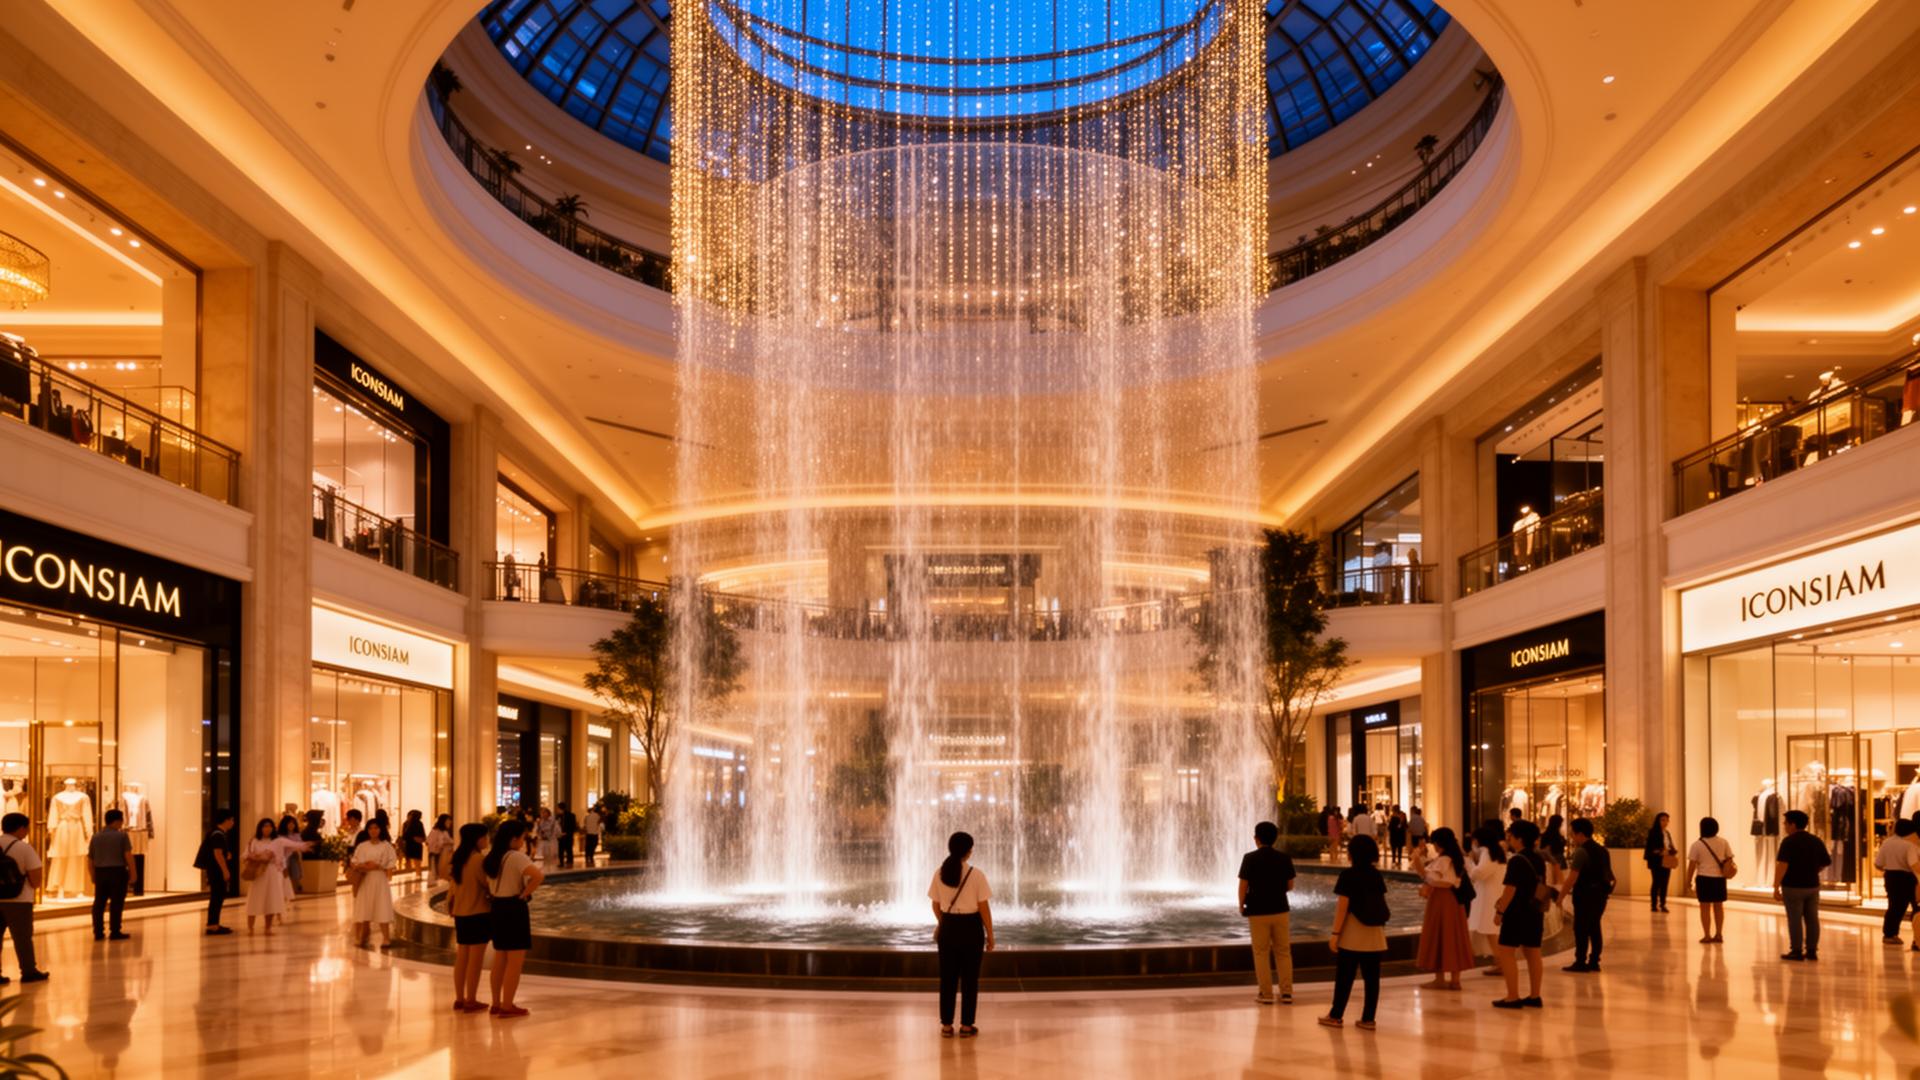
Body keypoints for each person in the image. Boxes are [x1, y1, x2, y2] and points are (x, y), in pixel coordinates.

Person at [1318, 835, 1388, 1030]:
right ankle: (1368, 1019)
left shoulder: (1348, 875)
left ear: (1352, 854)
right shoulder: (1376, 875)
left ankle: (1336, 1015)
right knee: (1372, 979)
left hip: (1352, 933)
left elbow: (1343, 906)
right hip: (1375, 933)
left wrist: (1335, 933)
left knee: (1345, 977)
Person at [929, 831, 993, 1039]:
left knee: (947, 978)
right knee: (969, 978)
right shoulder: (976, 874)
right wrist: (990, 935)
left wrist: (943, 922)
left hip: (948, 928)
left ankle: (946, 1025)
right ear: (968, 851)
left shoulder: (940, 872)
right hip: (971, 928)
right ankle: (966, 1025)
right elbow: (984, 908)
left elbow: (935, 905)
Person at [486, 819, 544, 1016]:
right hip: (513, 908)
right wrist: (525, 893)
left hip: (496, 907)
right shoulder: (517, 857)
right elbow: (538, 876)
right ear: (513, 838)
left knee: (500, 958)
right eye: (522, 837)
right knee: (515, 962)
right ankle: (507, 1005)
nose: (523, 840)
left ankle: (496, 1003)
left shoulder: (492, 856)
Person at [1491, 820, 1548, 1009]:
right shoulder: (1539, 858)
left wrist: (1500, 912)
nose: (1509, 839)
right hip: (1535, 911)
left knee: (1506, 951)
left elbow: (1510, 889)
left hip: (1516, 912)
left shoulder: (1516, 859)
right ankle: (1535, 995)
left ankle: (1512, 996)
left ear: (1519, 838)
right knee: (1533, 952)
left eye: (1511, 836)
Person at [1238, 820, 1295, 1005]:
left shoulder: (1249, 858)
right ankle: (1286, 993)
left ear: (1256, 839)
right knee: (1283, 951)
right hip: (1280, 909)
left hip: (1257, 911)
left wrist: (1241, 904)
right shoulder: (1284, 858)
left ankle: (1266, 993)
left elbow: (1243, 885)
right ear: (1275, 838)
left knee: (1261, 952)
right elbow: (1290, 885)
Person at [1416, 827, 1475, 991]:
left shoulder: (1443, 860)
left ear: (1438, 843)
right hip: (1455, 902)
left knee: (1438, 934)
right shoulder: (1458, 858)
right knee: (1454, 935)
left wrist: (1418, 863)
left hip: (1442, 900)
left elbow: (1436, 880)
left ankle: (1439, 978)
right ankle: (1455, 980)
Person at [444, 823, 492, 1013]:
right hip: (478, 912)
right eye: (485, 837)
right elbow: (486, 883)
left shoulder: (458, 858)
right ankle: (471, 999)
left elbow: (453, 886)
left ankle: (459, 998)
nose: (487, 840)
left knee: (462, 957)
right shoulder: (478, 859)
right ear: (477, 839)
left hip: (461, 913)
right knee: (476, 960)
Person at [1773, 809, 1830, 961]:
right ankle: (1812, 950)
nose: (1784, 826)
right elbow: (1825, 862)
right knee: (1812, 918)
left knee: (1794, 919)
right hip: (1812, 885)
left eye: (1786, 823)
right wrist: (1814, 871)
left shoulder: (1788, 842)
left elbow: (1782, 865)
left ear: (1793, 824)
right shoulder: (1815, 840)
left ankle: (1796, 950)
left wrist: (1775, 886)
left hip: (1792, 886)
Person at [1560, 818, 1613, 973]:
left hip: (1585, 895)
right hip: (1601, 894)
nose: (1571, 837)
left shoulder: (1581, 851)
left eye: (1572, 833)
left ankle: (1580, 961)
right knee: (1595, 926)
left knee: (1581, 928)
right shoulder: (1603, 850)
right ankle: (1594, 961)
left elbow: (1572, 878)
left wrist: (1560, 896)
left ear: (1580, 834)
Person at [243, 817, 309, 935]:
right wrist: (256, 856)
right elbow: (245, 855)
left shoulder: (277, 841)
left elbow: (285, 853)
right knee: (254, 899)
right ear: (260, 828)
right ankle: (250, 928)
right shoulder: (254, 841)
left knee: (271, 900)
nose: (267, 828)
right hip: (259, 873)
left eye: (270, 826)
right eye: (265, 826)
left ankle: (268, 927)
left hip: (272, 872)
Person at [0, 814, 45, 983]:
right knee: (22, 937)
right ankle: (28, 971)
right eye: (26, 828)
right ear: (20, 828)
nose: (26, 832)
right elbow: (36, 880)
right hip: (19, 900)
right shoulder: (24, 848)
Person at [349, 818, 399, 948]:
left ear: (381, 829)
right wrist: (364, 865)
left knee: (382, 906)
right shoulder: (362, 846)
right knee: (362, 908)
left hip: (380, 880)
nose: (373, 831)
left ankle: (386, 938)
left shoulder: (386, 846)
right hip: (365, 880)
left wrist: (378, 866)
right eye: (370, 828)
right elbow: (354, 861)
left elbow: (392, 862)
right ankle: (359, 937)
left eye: (376, 828)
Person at [87, 808, 136, 941]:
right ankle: (115, 930)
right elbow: (128, 856)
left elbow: (90, 859)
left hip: (101, 872)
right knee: (117, 903)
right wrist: (133, 874)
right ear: (117, 821)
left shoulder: (96, 837)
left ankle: (98, 931)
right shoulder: (122, 836)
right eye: (121, 820)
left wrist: (93, 875)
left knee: (99, 903)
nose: (122, 823)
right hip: (118, 872)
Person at [1467, 821, 1507, 976]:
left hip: (1489, 896)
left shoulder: (1486, 852)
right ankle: (1498, 962)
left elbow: (1479, 873)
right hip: (1493, 893)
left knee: (1490, 930)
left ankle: (1501, 963)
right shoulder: (1496, 851)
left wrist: (1468, 863)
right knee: (1491, 930)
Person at [1686, 816, 1734, 945]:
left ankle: (1707, 935)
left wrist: (1688, 881)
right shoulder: (1723, 842)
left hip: (1703, 879)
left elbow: (1692, 865)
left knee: (1705, 908)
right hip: (1719, 879)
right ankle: (1719, 934)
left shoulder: (1697, 844)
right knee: (1719, 907)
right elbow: (1730, 858)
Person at [1874, 819, 1918, 946]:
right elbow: (1913, 864)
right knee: (1916, 907)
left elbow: (1878, 864)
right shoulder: (1910, 844)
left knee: (1894, 906)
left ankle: (1889, 934)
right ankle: (1917, 938)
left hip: (1891, 877)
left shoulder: (1887, 842)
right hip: (1908, 877)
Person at [196, 809, 236, 936]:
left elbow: (219, 852)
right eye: (232, 820)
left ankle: (214, 923)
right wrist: (225, 870)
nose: (233, 823)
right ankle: (213, 925)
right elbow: (217, 854)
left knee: (217, 896)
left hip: (214, 869)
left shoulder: (216, 833)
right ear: (226, 820)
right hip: (216, 870)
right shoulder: (218, 834)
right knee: (217, 896)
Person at [1644, 812, 1677, 914]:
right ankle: (1654, 904)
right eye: (1663, 820)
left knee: (1665, 883)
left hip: (1667, 860)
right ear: (1658, 820)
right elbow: (1650, 848)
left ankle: (1663, 904)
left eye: (1667, 820)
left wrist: (1672, 851)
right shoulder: (1653, 832)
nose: (1665, 822)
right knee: (1656, 882)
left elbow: (1670, 846)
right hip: (1656, 861)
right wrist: (1660, 851)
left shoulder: (1667, 833)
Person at [277, 815, 304, 898]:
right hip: (283, 857)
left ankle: (294, 890)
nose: (291, 825)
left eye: (293, 823)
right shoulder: (280, 835)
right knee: (283, 874)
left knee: (295, 872)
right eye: (289, 823)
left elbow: (300, 845)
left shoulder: (297, 835)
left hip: (294, 855)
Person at [426, 814, 454, 881]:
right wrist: (444, 844)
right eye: (448, 821)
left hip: (443, 855)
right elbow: (428, 842)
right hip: (435, 853)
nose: (450, 822)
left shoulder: (444, 832)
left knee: (441, 872)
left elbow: (450, 841)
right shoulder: (434, 831)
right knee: (434, 872)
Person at [557, 803, 578, 868]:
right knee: (561, 850)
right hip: (561, 836)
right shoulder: (558, 816)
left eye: (557, 808)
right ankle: (561, 862)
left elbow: (573, 826)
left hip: (568, 835)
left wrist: (566, 832)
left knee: (568, 849)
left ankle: (569, 862)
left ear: (561, 808)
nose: (557, 810)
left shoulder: (571, 815)